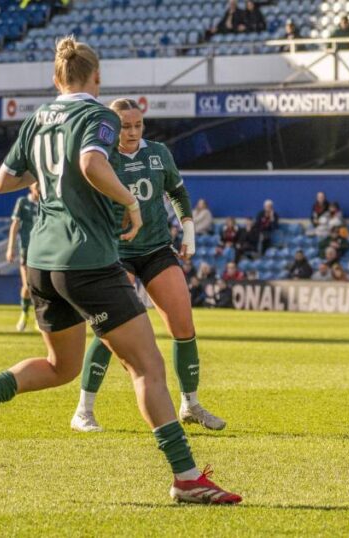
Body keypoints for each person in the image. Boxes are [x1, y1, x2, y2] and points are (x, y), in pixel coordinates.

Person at [0, 37, 239, 503]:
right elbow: (92, 161)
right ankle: (186, 478)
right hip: (88, 260)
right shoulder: (99, 115)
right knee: (147, 367)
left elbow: (2, 182)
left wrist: (49, 175)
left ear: (57, 79)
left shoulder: (37, 119)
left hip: (42, 261)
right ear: (96, 78)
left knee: (61, 367)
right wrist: (130, 201)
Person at [71, 97, 226, 434]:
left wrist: (188, 231)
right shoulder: (99, 156)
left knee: (183, 324)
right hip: (115, 251)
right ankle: (84, 410)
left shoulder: (158, 153)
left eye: (137, 125)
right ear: (111, 127)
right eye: (124, 125)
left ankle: (190, 404)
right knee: (112, 330)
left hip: (156, 248)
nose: (132, 131)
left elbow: (178, 192)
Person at [6, 183, 39, 332]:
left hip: (43, 250)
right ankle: (24, 313)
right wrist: (10, 248)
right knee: (28, 285)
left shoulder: (47, 202)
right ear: (31, 187)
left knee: (41, 286)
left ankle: (40, 318)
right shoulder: (23, 202)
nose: (39, 188)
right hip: (26, 249)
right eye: (36, 185)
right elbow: (15, 225)